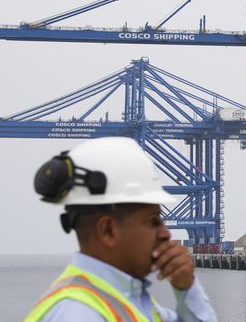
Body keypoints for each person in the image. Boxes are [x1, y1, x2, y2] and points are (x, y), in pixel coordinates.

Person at [24, 137, 218, 322]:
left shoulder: (126, 301)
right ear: (108, 231)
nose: (166, 233)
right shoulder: (78, 313)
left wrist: (186, 286)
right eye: (153, 221)